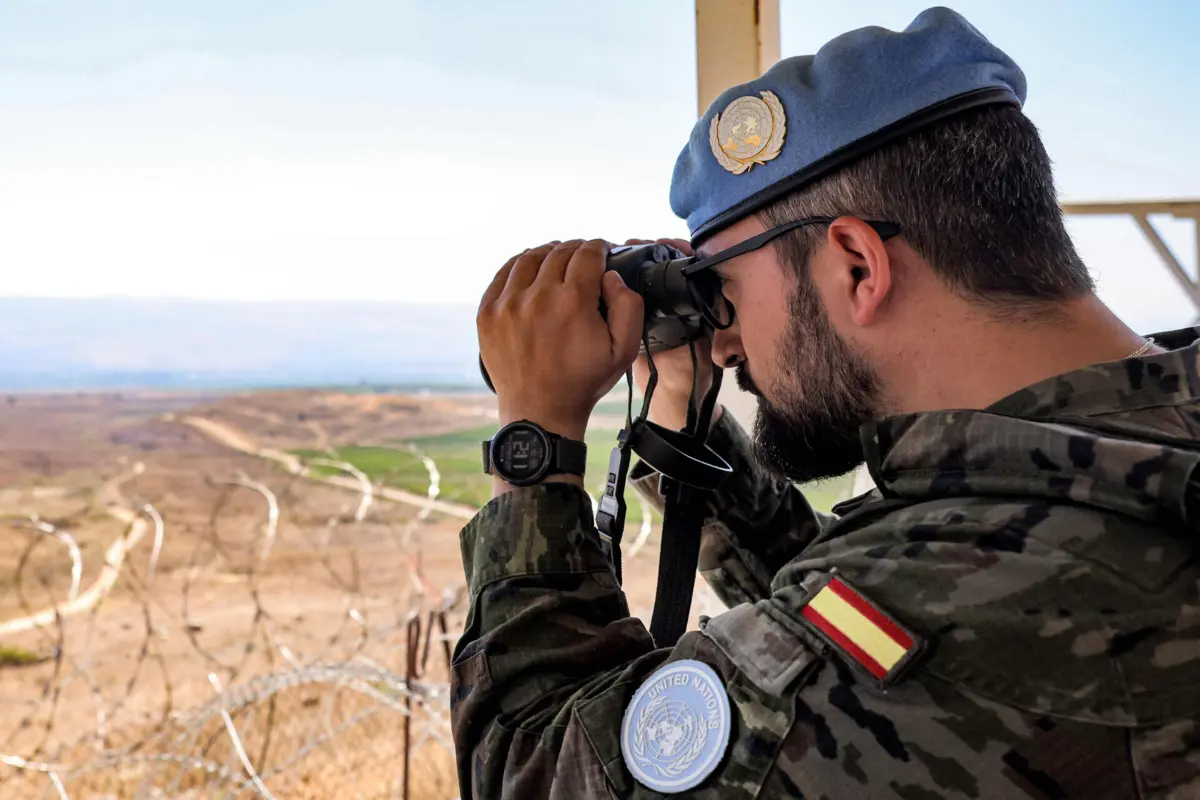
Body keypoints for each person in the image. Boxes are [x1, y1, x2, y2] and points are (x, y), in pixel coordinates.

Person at [452, 6, 1200, 798]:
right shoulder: (1117, 462)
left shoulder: (974, 595)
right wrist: (682, 402)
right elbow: (848, 625)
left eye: (726, 289)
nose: (728, 340)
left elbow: (532, 770)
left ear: (855, 264)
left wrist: (534, 443)